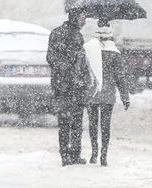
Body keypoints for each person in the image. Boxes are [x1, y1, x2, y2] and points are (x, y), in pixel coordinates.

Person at [47, 10, 92, 166]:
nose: (84, 21)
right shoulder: (60, 34)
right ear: (75, 18)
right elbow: (51, 58)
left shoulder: (76, 35)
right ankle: (66, 155)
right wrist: (68, 69)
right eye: (82, 18)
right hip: (65, 85)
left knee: (75, 121)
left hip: (74, 85)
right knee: (67, 121)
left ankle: (73, 154)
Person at [84, 20, 130, 167]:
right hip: (108, 95)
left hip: (92, 93)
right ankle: (104, 156)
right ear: (110, 36)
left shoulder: (89, 50)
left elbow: (83, 72)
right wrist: (125, 96)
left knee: (92, 124)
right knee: (105, 125)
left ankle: (94, 153)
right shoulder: (115, 53)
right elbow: (120, 77)